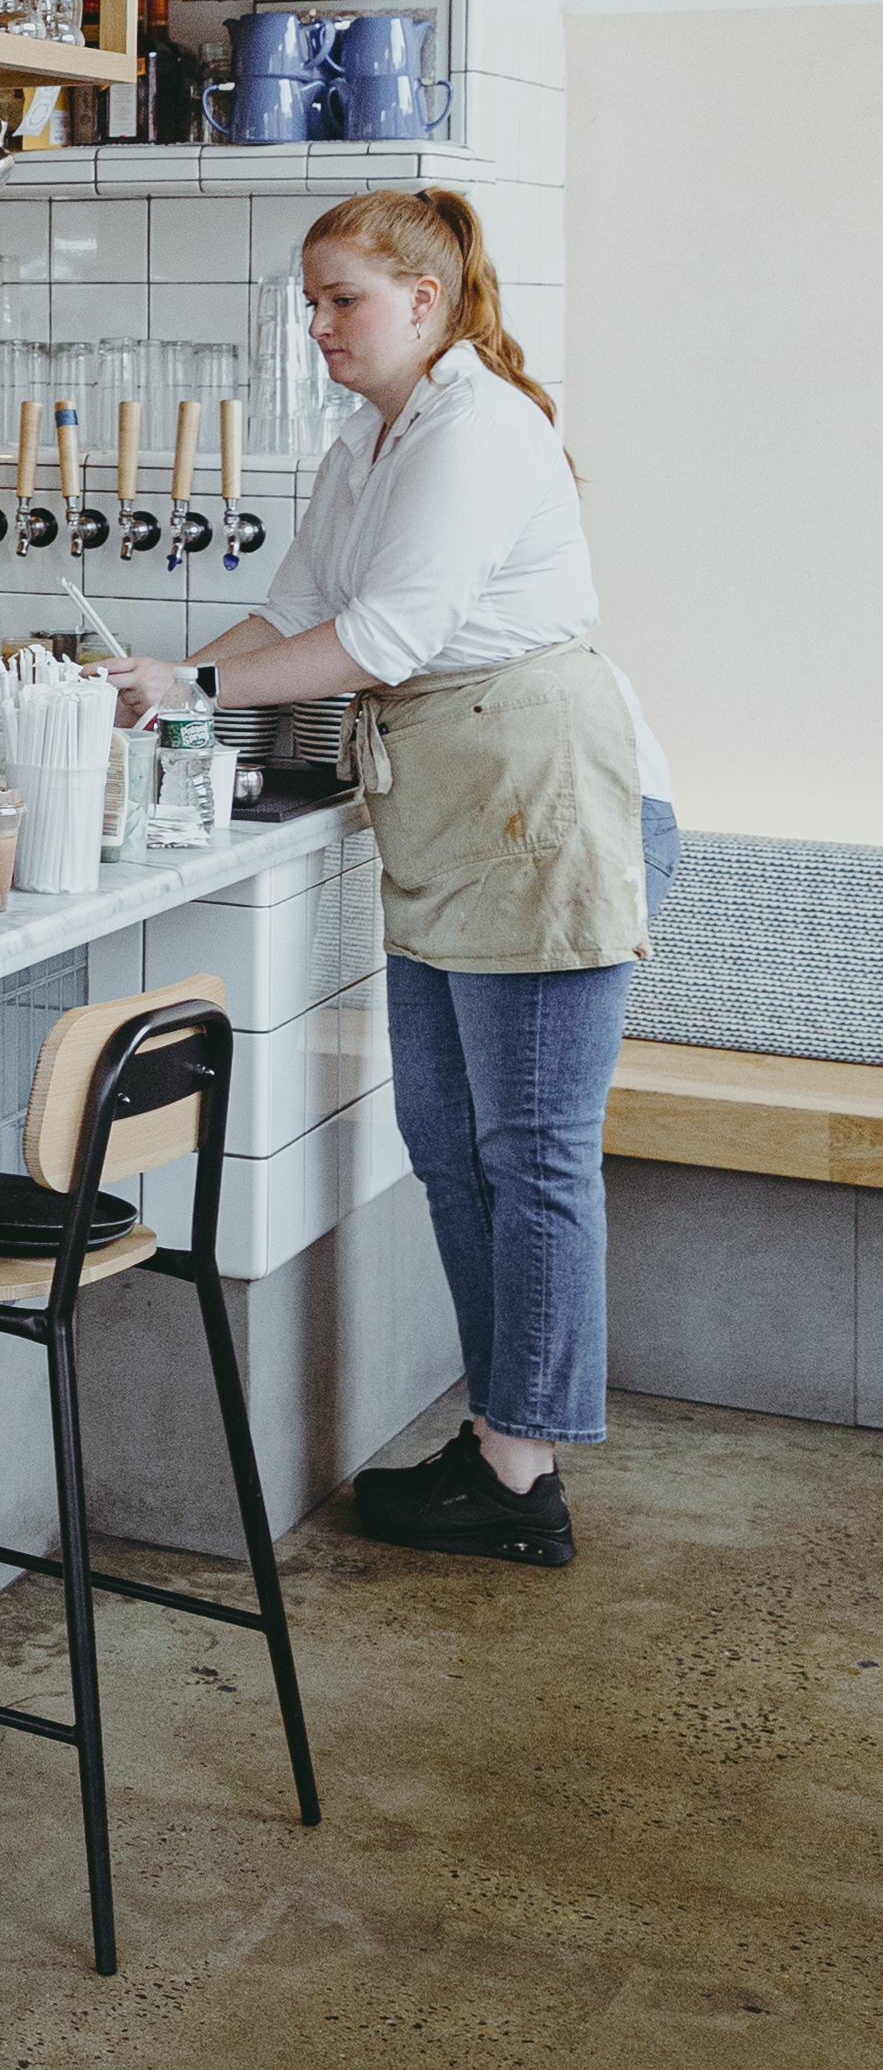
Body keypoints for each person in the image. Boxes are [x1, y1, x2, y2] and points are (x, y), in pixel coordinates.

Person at [103, 188, 675, 1572]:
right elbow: (294, 610)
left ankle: (519, 1470)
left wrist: (188, 684)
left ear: (422, 302)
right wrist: (143, 683)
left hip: (541, 805)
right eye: (306, 303)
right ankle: (500, 1441)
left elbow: (379, 636)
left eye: (338, 299)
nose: (315, 327)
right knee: (446, 1140)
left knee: (528, 1154)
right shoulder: (371, 441)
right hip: (456, 809)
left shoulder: (477, 432)